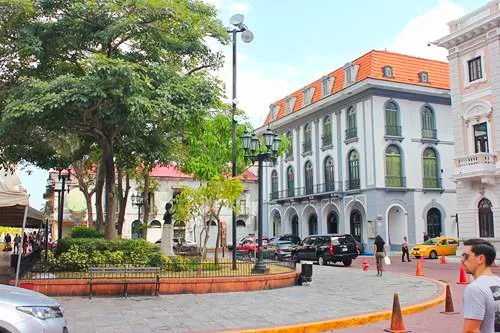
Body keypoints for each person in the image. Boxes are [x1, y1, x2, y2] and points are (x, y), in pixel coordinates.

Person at [461, 238, 500, 333]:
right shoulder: (498, 281)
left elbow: (470, 330)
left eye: (465, 256)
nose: (462, 260)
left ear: (480, 259)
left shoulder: (475, 288)